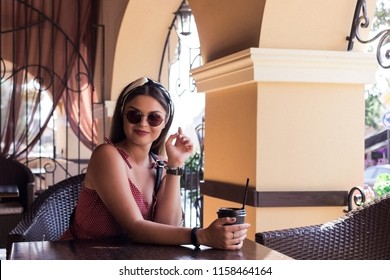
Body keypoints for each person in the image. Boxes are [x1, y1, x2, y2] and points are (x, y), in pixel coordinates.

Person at [61, 77, 250, 250]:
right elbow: (135, 227)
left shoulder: (161, 165)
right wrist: (202, 235)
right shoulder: (107, 156)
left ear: (164, 122)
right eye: (134, 115)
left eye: (154, 117)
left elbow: (167, 227)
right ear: (122, 115)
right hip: (83, 259)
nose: (143, 124)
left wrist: (175, 165)